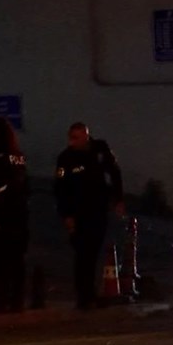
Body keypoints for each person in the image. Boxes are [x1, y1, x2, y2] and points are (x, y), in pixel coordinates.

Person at [55, 122, 124, 310]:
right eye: (70, 137)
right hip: (78, 213)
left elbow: (114, 172)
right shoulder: (66, 158)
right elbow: (60, 189)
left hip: (98, 210)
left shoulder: (100, 150)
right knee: (82, 253)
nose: (72, 141)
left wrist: (118, 199)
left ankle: (90, 294)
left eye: (76, 137)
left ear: (86, 136)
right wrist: (67, 215)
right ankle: (84, 296)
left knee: (92, 252)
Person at [0, 117, 29, 313]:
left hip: (3, 214)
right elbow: (23, 183)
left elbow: (2, 184)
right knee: (17, 259)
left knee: (2, 259)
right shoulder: (17, 154)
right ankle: (16, 299)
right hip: (20, 213)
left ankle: (1, 300)